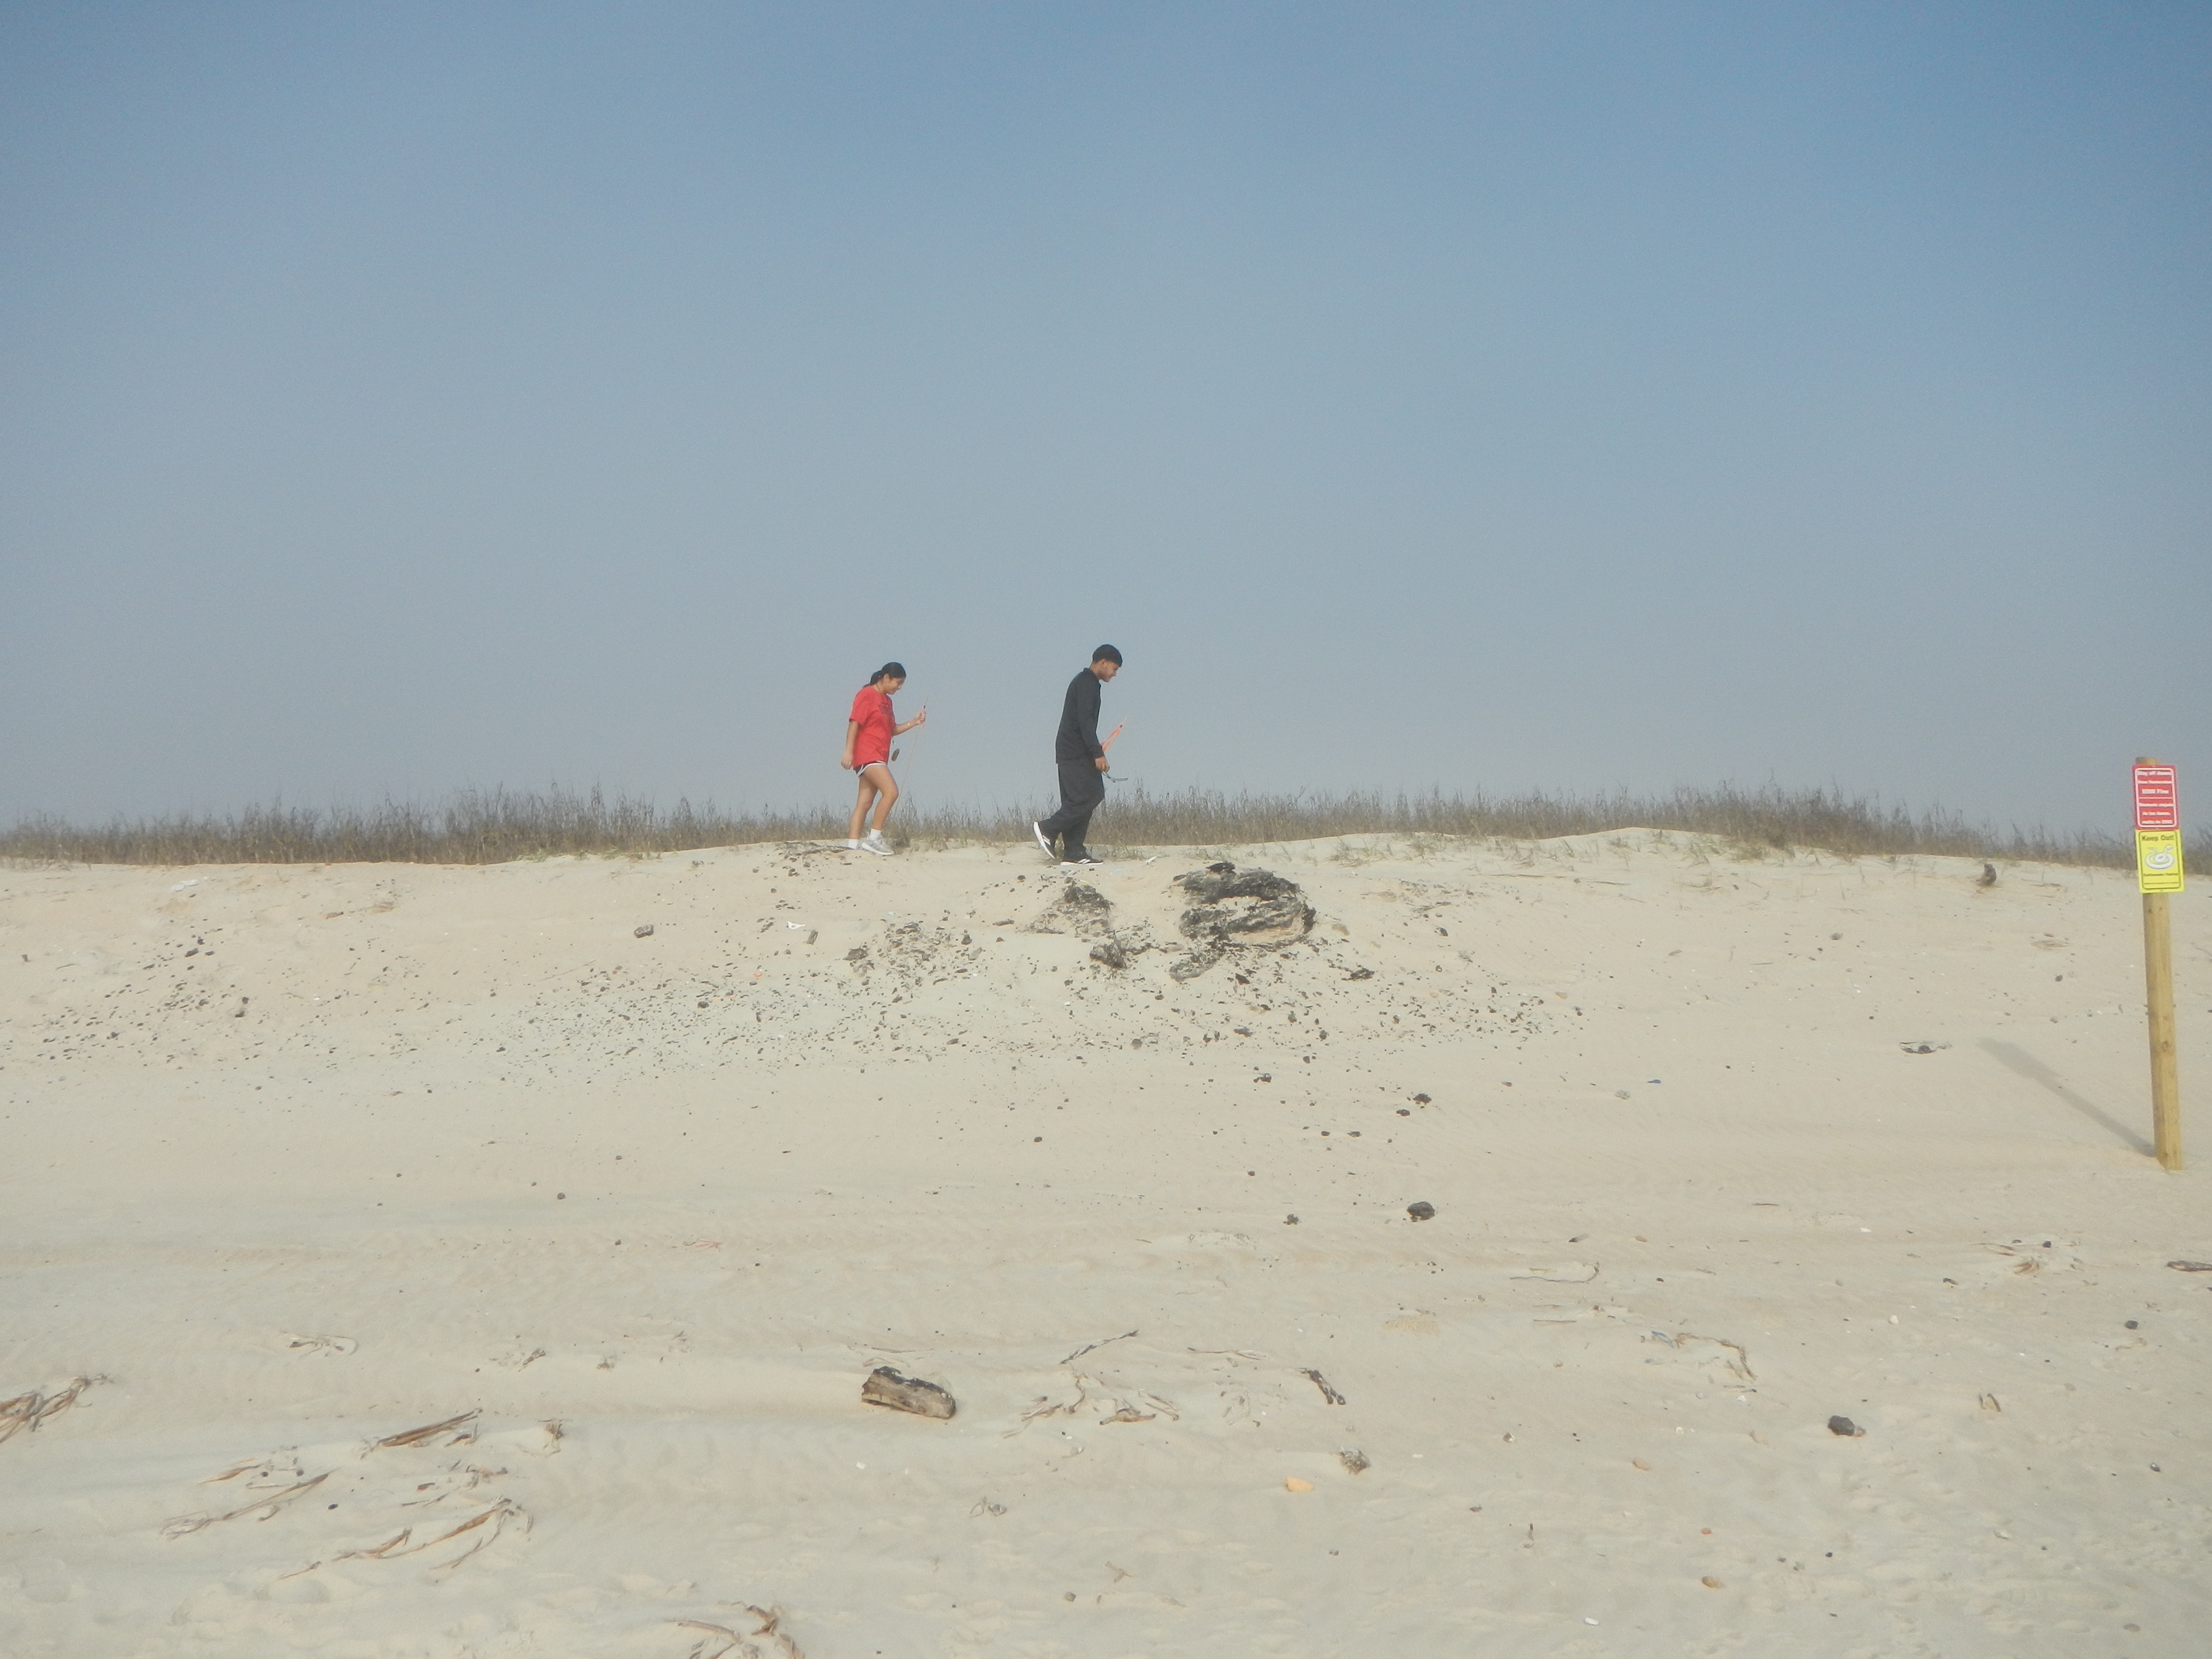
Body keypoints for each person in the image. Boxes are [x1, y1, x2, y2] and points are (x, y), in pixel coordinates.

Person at [1033, 645, 1121, 866]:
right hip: (1074, 752)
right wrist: (1097, 753)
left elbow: (1085, 724)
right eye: (1114, 668)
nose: (1115, 674)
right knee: (1091, 795)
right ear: (1103, 662)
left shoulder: (1089, 684)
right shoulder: (1086, 683)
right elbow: (1085, 722)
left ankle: (1074, 851)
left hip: (1075, 750)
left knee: (1080, 798)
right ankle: (1047, 828)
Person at [842, 662, 926, 855]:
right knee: (891, 792)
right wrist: (848, 751)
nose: (900, 687)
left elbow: (892, 730)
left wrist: (915, 722)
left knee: (865, 802)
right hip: (868, 754)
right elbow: (854, 723)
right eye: (898, 683)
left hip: (881, 755)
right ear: (886, 678)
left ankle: (852, 847)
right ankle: (874, 839)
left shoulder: (887, 702)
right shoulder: (866, 695)